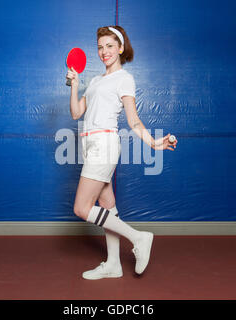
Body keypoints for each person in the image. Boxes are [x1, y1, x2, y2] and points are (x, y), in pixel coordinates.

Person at [66, 26, 178, 280]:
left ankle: (138, 237)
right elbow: (76, 113)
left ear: (121, 48)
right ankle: (114, 264)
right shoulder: (95, 81)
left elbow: (133, 120)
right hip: (89, 143)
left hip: (105, 144)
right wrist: (74, 84)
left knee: (82, 209)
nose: (104, 52)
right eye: (100, 47)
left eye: (109, 46)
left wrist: (152, 143)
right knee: (107, 206)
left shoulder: (124, 79)